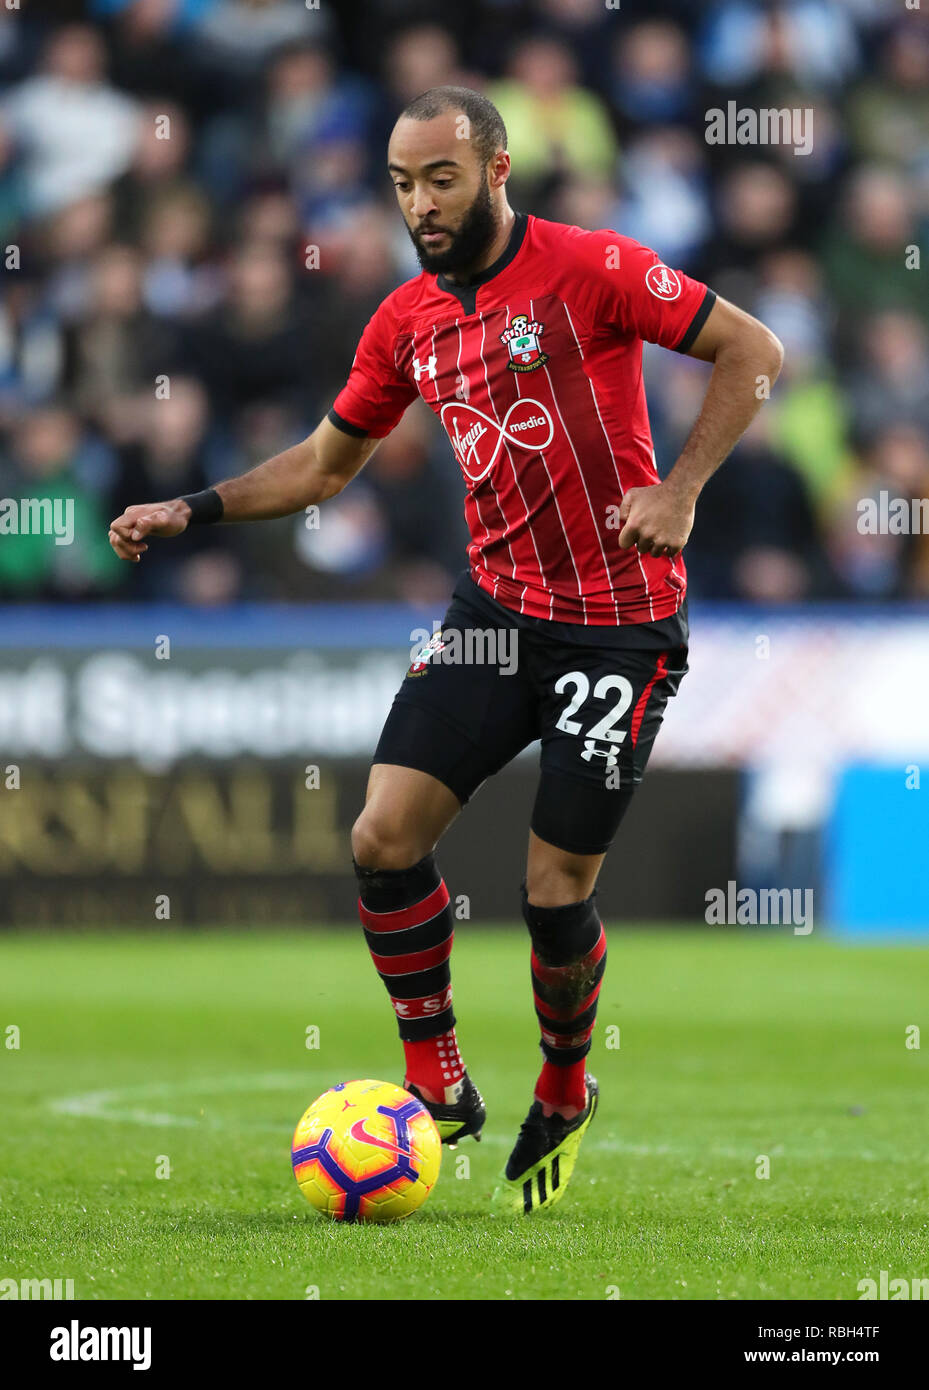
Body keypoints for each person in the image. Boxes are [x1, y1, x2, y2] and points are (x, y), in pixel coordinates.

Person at [109, 86, 784, 1214]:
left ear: (497, 170)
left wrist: (679, 488)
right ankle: (438, 1078)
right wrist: (198, 507)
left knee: (549, 888)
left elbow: (751, 351)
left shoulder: (591, 268)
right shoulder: (405, 320)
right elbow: (327, 466)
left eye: (440, 179)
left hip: (616, 627)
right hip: (493, 616)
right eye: (402, 183)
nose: (420, 204)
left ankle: (563, 1086)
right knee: (380, 834)